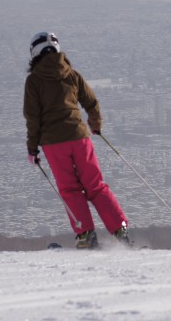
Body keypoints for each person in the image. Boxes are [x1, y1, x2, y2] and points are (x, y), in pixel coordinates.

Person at [23, 31, 130, 249]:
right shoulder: (72, 74)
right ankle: (119, 230)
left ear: (34, 52)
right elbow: (91, 101)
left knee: (70, 189)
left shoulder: (34, 81)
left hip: (54, 143)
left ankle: (85, 235)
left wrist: (32, 149)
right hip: (80, 138)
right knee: (96, 185)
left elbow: (32, 118)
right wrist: (95, 124)